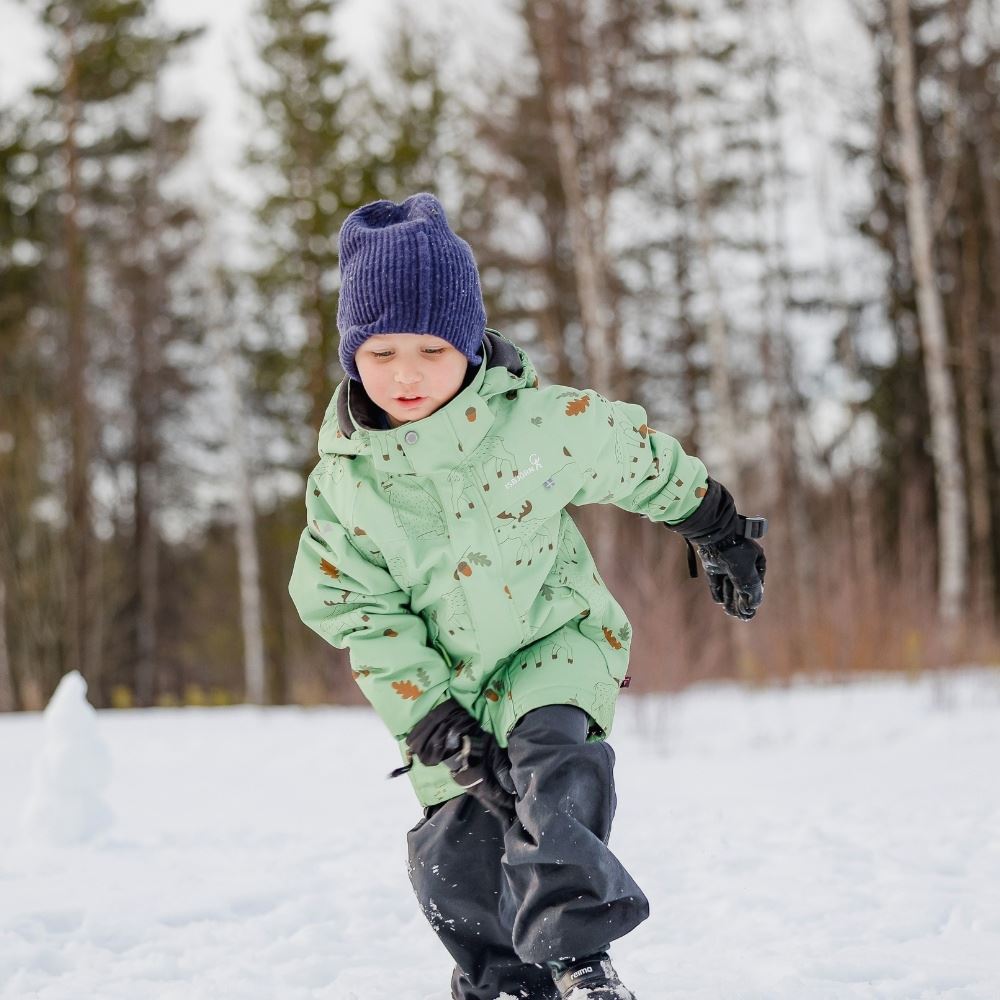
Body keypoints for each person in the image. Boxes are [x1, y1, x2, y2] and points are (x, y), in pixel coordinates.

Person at [287, 193, 767, 1000]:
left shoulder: (537, 425)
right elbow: (359, 612)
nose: (407, 374)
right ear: (352, 354)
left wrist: (714, 525)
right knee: (454, 864)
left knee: (553, 776)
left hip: (555, 644)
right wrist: (430, 715)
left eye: (433, 350)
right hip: (445, 690)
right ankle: (505, 986)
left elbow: (632, 454)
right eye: (384, 351)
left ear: (470, 345)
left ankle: (581, 959)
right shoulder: (345, 489)